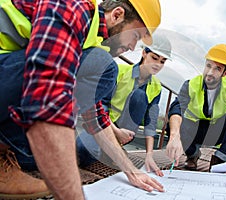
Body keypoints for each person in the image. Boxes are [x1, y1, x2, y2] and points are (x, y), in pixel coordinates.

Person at [0, 0, 163, 199]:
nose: (131, 47)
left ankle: (9, 153)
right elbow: (46, 91)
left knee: (42, 157)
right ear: (117, 15)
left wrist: (130, 169)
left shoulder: (89, 39)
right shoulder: (72, 6)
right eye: (135, 36)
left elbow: (94, 115)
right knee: (104, 65)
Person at [76, 33, 178, 176]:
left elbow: (150, 123)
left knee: (140, 96)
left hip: (125, 130)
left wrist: (149, 155)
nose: (157, 64)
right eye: (154, 58)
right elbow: (101, 105)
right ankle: (108, 148)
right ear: (144, 53)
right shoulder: (119, 72)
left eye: (162, 61)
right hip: (105, 124)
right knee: (82, 151)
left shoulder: (156, 88)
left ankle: (115, 146)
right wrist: (115, 131)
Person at [167, 44, 226, 180]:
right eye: (208, 66)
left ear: (225, 73)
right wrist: (175, 135)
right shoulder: (191, 84)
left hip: (217, 131)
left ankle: (221, 159)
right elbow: (177, 107)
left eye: (218, 68)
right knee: (173, 122)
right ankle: (192, 155)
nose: (210, 72)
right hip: (194, 130)